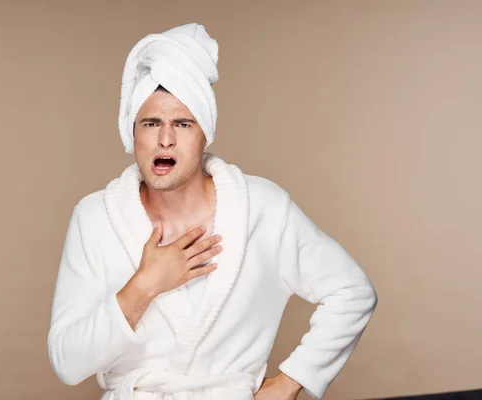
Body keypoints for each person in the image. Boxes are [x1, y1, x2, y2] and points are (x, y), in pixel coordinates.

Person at [47, 23, 378, 400]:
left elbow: (352, 291)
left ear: (205, 134)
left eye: (183, 124)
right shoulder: (94, 219)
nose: (165, 138)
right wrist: (145, 285)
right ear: (131, 133)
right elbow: (66, 362)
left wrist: (290, 382)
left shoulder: (262, 208)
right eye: (151, 123)